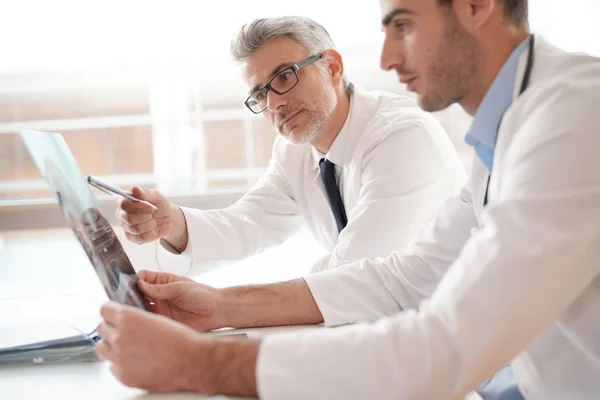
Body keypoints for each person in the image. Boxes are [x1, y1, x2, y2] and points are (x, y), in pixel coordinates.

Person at [96, 0, 600, 399]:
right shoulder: (507, 134)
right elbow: (402, 279)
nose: (385, 59)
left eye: (402, 25)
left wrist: (195, 361)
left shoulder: (571, 118)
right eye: (261, 94)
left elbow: (440, 346)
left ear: (474, 5)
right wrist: (216, 305)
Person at [116, 16, 466, 276]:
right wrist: (172, 224)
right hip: (383, 336)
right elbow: (248, 223)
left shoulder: (402, 137)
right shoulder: (295, 151)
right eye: (260, 93)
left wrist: (222, 306)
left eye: (284, 77)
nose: (274, 104)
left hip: (460, 353)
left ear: (332, 67)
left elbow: (355, 273)